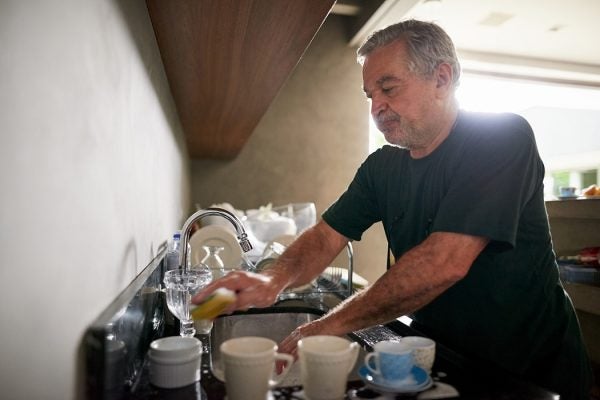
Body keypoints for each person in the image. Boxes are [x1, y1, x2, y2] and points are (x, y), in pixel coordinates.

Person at [193, 19, 592, 399]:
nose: (377, 107)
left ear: (442, 78)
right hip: (437, 353)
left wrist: (328, 326)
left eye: (389, 88)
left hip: (530, 368)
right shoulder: (382, 168)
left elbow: (444, 262)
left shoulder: (501, 139)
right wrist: (274, 279)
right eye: (371, 96)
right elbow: (325, 236)